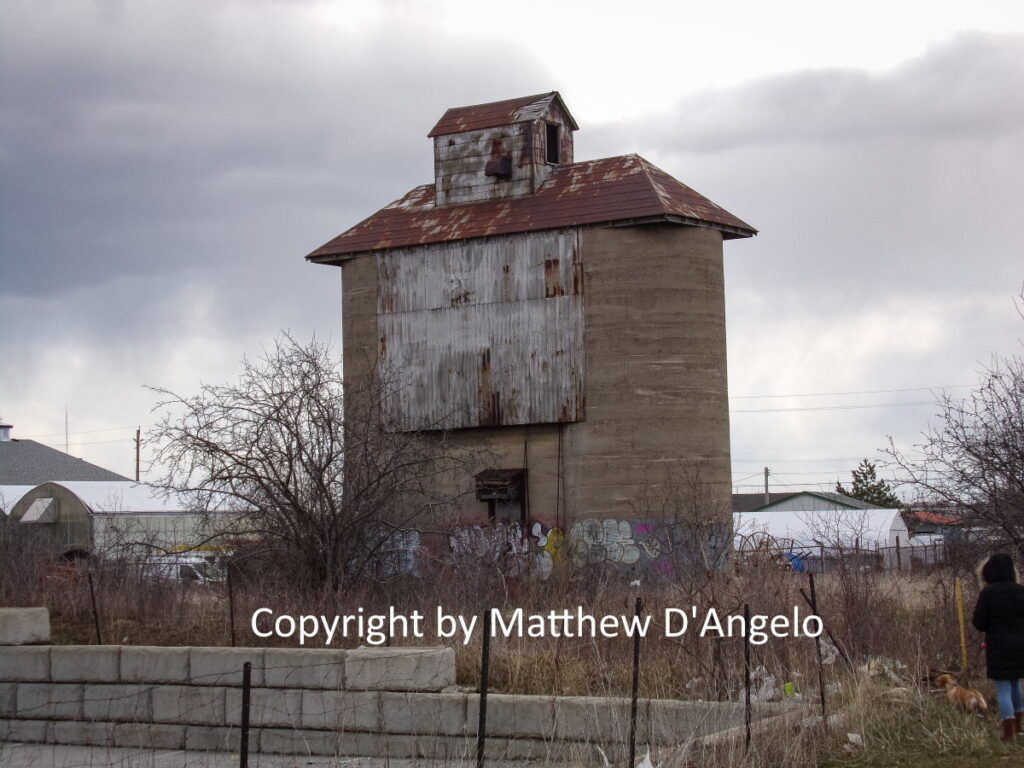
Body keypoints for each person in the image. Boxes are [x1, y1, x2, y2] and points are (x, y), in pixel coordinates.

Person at [972, 553, 1024, 741]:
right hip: (1020, 646)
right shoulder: (1020, 590)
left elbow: (979, 622)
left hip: (998, 646)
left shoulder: (988, 593)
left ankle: (1008, 733)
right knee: (1016, 685)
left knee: (1003, 689)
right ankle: (1019, 727)